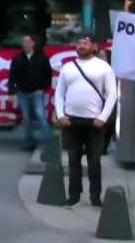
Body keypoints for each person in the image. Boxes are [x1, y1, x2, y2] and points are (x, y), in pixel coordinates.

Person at [54, 34, 117, 208]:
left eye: (85, 43)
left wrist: (102, 117)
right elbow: (59, 93)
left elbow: (111, 94)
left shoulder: (103, 67)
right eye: (79, 43)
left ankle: (95, 197)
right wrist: (60, 115)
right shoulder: (68, 67)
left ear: (94, 47)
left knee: (94, 162)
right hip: (71, 121)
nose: (81, 45)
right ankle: (73, 196)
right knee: (73, 160)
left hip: (94, 122)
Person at [8, 35, 53, 150]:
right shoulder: (18, 58)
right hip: (23, 92)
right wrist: (12, 92)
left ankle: (50, 142)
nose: (25, 44)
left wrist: (43, 88)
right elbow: (12, 76)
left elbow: (48, 74)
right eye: (23, 42)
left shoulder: (41, 57)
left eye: (27, 42)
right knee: (27, 118)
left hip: (37, 92)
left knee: (40, 115)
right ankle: (29, 142)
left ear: (33, 43)